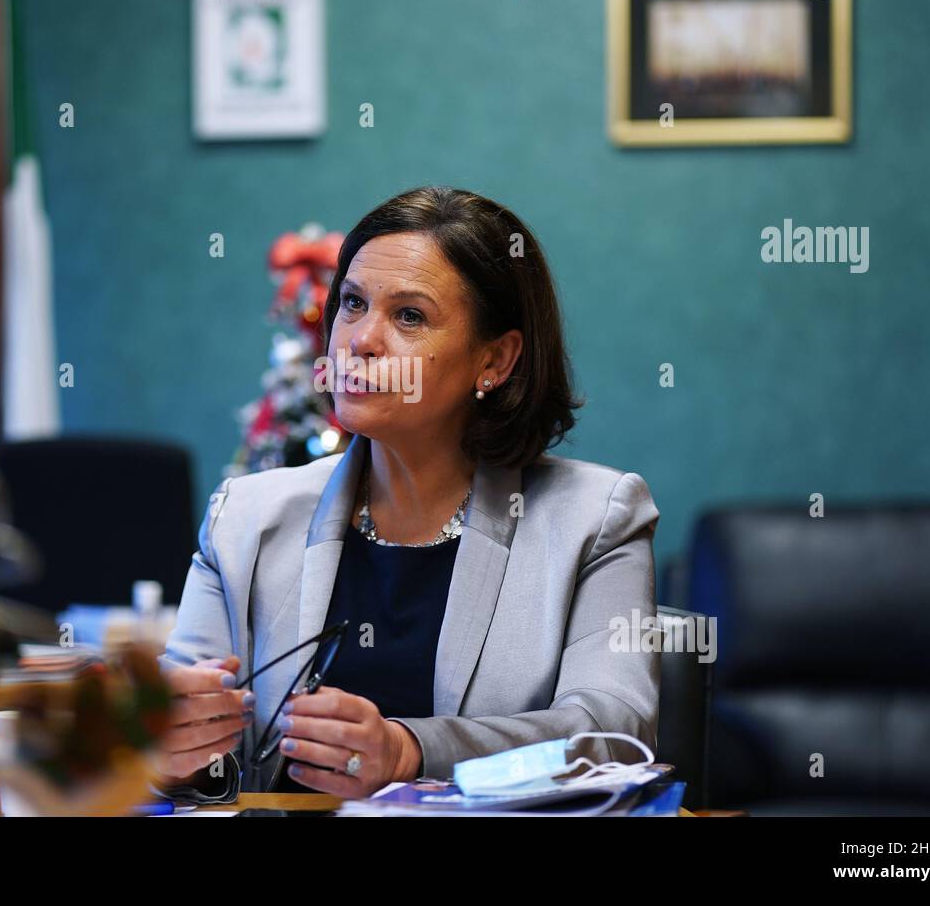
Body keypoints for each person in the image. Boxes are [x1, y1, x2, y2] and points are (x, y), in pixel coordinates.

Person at [153, 186, 660, 803]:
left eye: (409, 316)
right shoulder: (247, 519)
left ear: (495, 359)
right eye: (352, 303)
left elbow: (612, 733)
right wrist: (176, 752)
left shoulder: (594, 518)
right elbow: (201, 772)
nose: (359, 340)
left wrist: (410, 750)